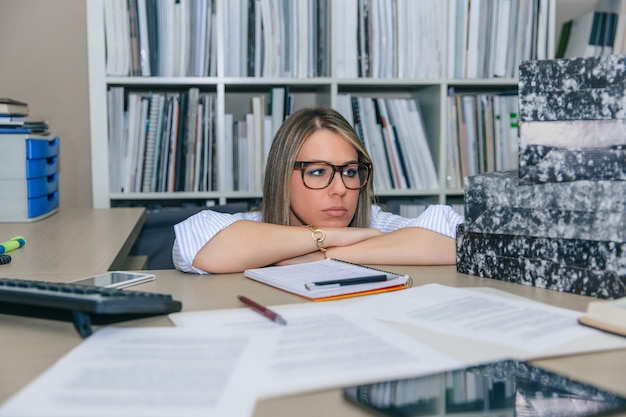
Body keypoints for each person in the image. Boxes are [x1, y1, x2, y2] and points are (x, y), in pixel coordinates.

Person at [173, 106, 463, 274]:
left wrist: (325, 255)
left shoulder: (374, 222)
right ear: (281, 177)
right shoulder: (255, 228)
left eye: (350, 171)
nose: (339, 189)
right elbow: (193, 244)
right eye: (317, 172)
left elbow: (457, 238)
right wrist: (331, 237)